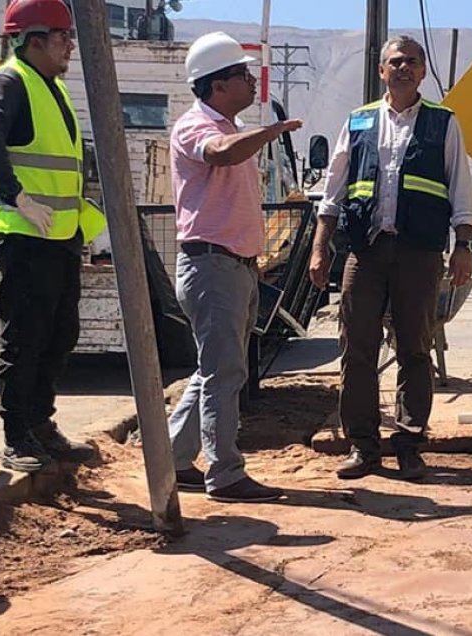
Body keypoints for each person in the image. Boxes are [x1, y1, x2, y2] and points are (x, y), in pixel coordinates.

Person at [309, 35, 472, 482]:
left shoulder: (444, 123)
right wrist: (319, 247)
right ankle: (363, 447)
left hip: (419, 252)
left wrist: (464, 245)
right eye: (395, 62)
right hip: (365, 251)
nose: (403, 68)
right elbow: (333, 192)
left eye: (412, 62)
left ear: (423, 72)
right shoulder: (359, 121)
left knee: (415, 349)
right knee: (356, 348)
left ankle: (408, 445)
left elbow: (461, 188)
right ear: (382, 70)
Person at [0, 0, 105, 473]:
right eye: (63, 36)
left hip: (58, 235)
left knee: (60, 333)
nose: (70, 45)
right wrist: (18, 196)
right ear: (34, 40)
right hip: (24, 234)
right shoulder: (11, 81)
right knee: (26, 337)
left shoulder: (53, 87)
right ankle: (17, 433)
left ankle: (41, 423)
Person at [166, 32, 301, 502]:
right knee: (223, 373)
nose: (251, 82)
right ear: (218, 84)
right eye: (243, 76)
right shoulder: (197, 127)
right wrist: (268, 134)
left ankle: (169, 459)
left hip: (232, 267)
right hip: (212, 266)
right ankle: (224, 473)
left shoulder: (224, 125)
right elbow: (219, 154)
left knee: (215, 371)